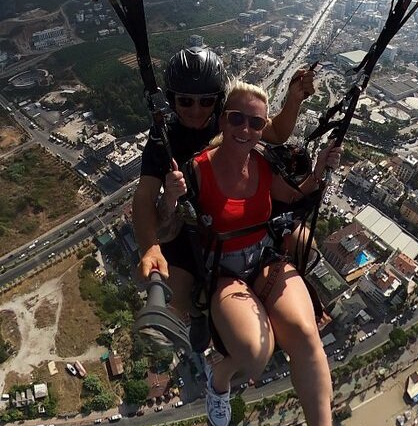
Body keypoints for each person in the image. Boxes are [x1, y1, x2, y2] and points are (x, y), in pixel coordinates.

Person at [173, 78, 345, 426]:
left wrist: (322, 167)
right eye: (236, 118)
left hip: (263, 259)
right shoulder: (197, 169)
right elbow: (167, 228)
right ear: (222, 120)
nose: (245, 129)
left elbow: (299, 194)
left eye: (255, 122)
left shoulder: (265, 167)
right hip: (224, 273)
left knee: (306, 334)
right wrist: (171, 200)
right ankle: (220, 376)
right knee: (255, 353)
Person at [133, 46, 316, 329]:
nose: (196, 110)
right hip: (194, 221)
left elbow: (276, 132)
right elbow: (144, 196)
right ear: (172, 100)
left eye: (206, 101)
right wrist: (150, 247)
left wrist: (294, 100)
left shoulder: (230, 116)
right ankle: (197, 322)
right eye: (186, 101)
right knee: (177, 294)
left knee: (304, 243)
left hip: (235, 204)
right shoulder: (164, 138)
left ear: (217, 103)